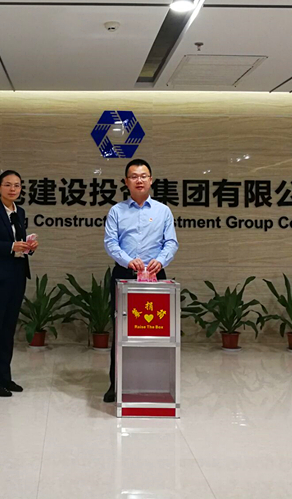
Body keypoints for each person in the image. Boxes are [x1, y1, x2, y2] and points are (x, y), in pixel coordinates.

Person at [102, 158, 179, 403]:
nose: (139, 180)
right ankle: (116, 385)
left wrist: (161, 261)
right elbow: (111, 243)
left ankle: (152, 383)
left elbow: (171, 242)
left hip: (156, 275)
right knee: (121, 330)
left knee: (155, 329)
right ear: (126, 182)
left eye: (143, 176)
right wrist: (128, 261)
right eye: (134, 176)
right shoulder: (116, 211)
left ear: (151, 180)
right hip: (124, 275)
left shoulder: (163, 211)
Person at [0, 170, 38, 397]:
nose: (13, 189)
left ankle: (4, 376)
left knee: (8, 328)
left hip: (17, 274)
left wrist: (28, 247)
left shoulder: (19, 211)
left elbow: (18, 240)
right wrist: (10, 247)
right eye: (8, 184)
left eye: (17, 185)